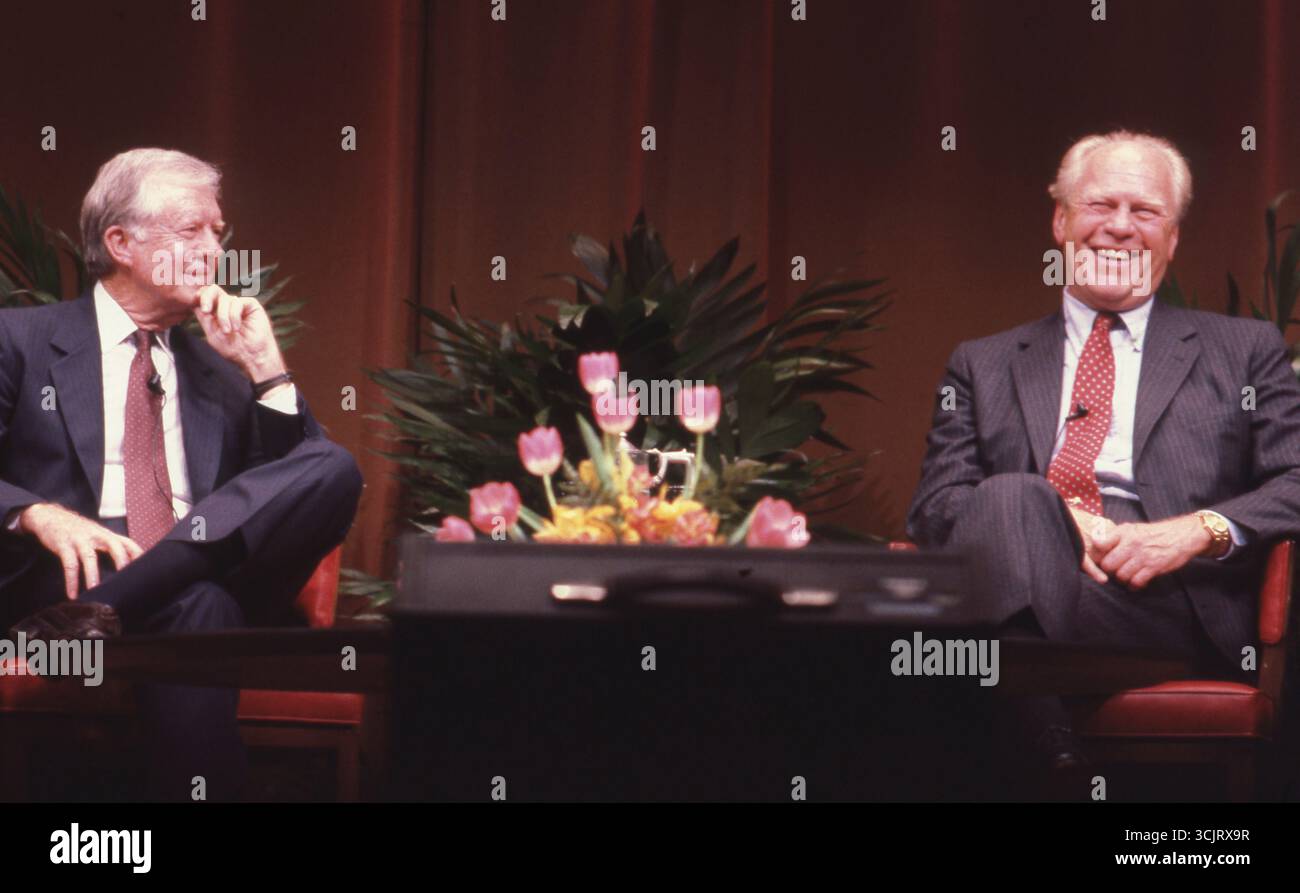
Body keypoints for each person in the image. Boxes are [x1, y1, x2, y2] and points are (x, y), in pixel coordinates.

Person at [905, 130, 1300, 785]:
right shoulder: (983, 361)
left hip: (1164, 605)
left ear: (1172, 238)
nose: (1119, 227)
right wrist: (1052, 517)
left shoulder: (1244, 350)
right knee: (1010, 497)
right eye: (1099, 206)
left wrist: (1194, 531)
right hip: (1017, 571)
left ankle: (1035, 749)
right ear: (1060, 220)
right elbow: (936, 507)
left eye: (1145, 212)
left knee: (944, 649)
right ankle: (1052, 751)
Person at [0, 148, 364, 800]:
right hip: (70, 571)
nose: (213, 248)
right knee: (201, 605)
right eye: (191, 229)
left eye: (218, 232)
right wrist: (36, 511)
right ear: (120, 243)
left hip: (132, 591)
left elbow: (284, 493)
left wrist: (267, 370)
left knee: (334, 464)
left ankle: (98, 612)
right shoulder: (19, 340)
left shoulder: (221, 372)